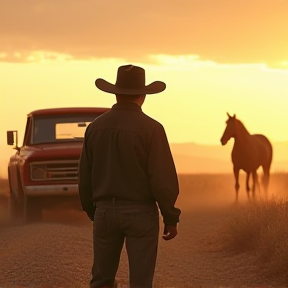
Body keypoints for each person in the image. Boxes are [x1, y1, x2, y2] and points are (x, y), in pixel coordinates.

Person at [78, 64, 181, 288]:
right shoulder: (152, 128)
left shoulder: (95, 127)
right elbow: (162, 179)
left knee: (101, 280)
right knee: (141, 282)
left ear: (115, 93)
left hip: (104, 210)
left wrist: (93, 210)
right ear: (143, 95)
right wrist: (170, 217)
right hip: (140, 212)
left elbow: (84, 176)